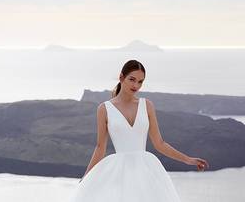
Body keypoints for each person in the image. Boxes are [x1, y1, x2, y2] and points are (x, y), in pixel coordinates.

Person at [68, 59, 209, 201]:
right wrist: (86, 178)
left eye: (140, 82)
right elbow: (100, 148)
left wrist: (188, 160)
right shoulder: (104, 109)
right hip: (120, 173)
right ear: (121, 77)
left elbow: (159, 143)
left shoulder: (147, 105)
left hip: (146, 171)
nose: (136, 85)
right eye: (132, 79)